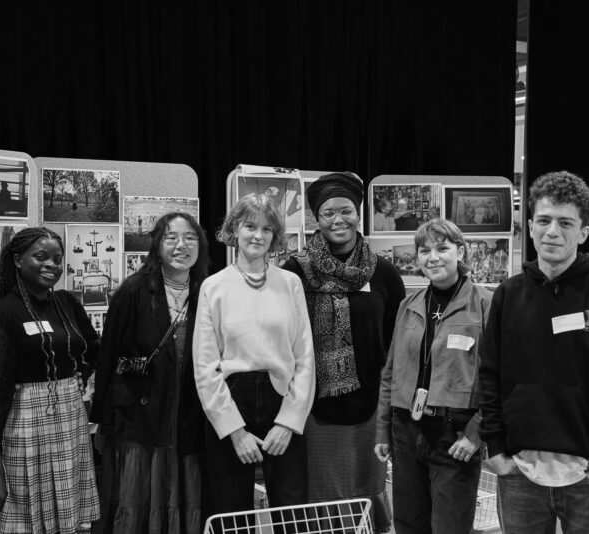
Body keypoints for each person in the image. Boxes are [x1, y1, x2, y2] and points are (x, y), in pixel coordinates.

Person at [479, 171, 589, 534]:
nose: (552, 232)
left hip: (588, 478)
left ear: (583, 233)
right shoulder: (508, 295)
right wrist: (495, 448)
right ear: (530, 225)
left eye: (565, 223)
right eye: (543, 220)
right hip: (519, 473)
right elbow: (489, 374)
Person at [283, 172, 405, 532]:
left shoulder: (383, 272)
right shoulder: (296, 272)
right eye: (327, 213)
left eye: (346, 210)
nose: (338, 220)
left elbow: (396, 341)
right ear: (316, 220)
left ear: (358, 213)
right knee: (324, 494)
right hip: (315, 406)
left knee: (367, 487)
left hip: (371, 404)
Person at [0, 227, 100, 533]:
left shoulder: (66, 303)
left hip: (71, 423)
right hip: (24, 427)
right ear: (18, 260)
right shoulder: (3, 315)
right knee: (25, 521)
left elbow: (93, 346)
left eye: (57, 259)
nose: (51, 265)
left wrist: (78, 375)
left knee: (69, 521)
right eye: (41, 257)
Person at [193, 193, 315, 514]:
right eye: (249, 226)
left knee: (291, 509)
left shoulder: (290, 284)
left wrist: (289, 423)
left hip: (281, 399)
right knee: (230, 509)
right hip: (230, 401)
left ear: (274, 236)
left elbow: (304, 357)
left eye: (266, 229)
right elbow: (205, 366)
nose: (257, 236)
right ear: (235, 229)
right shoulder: (213, 287)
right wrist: (233, 430)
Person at [91, 212, 209, 533]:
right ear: (157, 245)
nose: (180, 245)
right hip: (140, 417)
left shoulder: (208, 292)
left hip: (190, 414)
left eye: (189, 238)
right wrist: (103, 418)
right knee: (137, 495)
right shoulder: (133, 292)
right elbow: (108, 357)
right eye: (171, 238)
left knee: (187, 491)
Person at [375, 218, 490, 534]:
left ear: (460, 252)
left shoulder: (485, 304)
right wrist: (383, 430)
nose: (433, 257)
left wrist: (476, 433)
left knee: (449, 527)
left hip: (454, 436)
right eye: (424, 251)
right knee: (408, 525)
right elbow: (391, 372)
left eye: (442, 248)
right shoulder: (408, 305)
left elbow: (501, 378)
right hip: (405, 431)